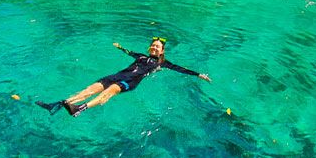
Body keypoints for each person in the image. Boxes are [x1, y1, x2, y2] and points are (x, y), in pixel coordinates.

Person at [36, 37, 211, 117]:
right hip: (116, 75)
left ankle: (80, 109)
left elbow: (181, 69)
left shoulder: (163, 64)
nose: (154, 48)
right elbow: (129, 52)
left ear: (162, 50)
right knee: (90, 89)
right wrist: (120, 47)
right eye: (153, 46)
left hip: (130, 82)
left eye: (157, 47)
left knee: (111, 91)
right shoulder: (141, 56)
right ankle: (58, 104)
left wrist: (199, 75)